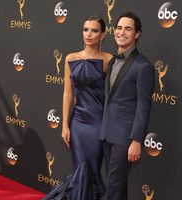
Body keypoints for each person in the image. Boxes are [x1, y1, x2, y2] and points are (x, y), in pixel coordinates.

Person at [43, 16, 113, 200]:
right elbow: (68, 94)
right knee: (80, 168)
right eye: (85, 29)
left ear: (103, 35)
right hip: (78, 122)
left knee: (92, 170)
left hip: (99, 122)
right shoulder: (70, 58)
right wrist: (65, 125)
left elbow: (114, 96)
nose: (88, 34)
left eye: (94, 30)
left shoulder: (109, 60)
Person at [99, 12, 155, 200]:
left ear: (137, 34)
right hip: (107, 133)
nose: (122, 32)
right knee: (118, 185)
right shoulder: (113, 60)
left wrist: (137, 140)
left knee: (113, 188)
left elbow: (143, 105)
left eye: (128, 28)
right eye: (119, 27)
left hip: (125, 138)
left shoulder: (143, 66)